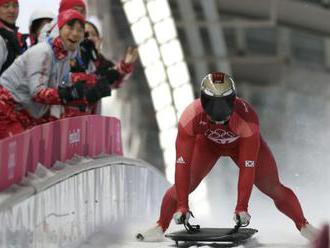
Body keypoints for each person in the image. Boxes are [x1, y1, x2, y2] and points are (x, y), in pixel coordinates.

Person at [137, 72, 318, 242]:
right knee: (183, 187)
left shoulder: (247, 118)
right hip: (208, 147)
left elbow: (248, 167)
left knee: (272, 187)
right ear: (203, 101)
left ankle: (304, 225)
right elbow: (182, 164)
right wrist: (182, 206)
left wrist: (242, 207)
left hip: (242, 146)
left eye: (223, 105)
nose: (218, 111)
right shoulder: (190, 117)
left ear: (232, 101)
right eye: (213, 105)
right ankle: (160, 225)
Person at [0, 9, 113, 139]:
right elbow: (37, 92)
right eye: (70, 27)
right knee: (22, 150)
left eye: (80, 30)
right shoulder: (42, 52)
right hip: (7, 108)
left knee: (53, 140)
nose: (75, 33)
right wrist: (67, 94)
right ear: (58, 28)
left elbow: (65, 82)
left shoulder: (64, 57)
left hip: (27, 112)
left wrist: (93, 84)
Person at [0, 0, 23, 75]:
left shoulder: (19, 39)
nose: (12, 10)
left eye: (15, 6)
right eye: (6, 6)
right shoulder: (1, 38)